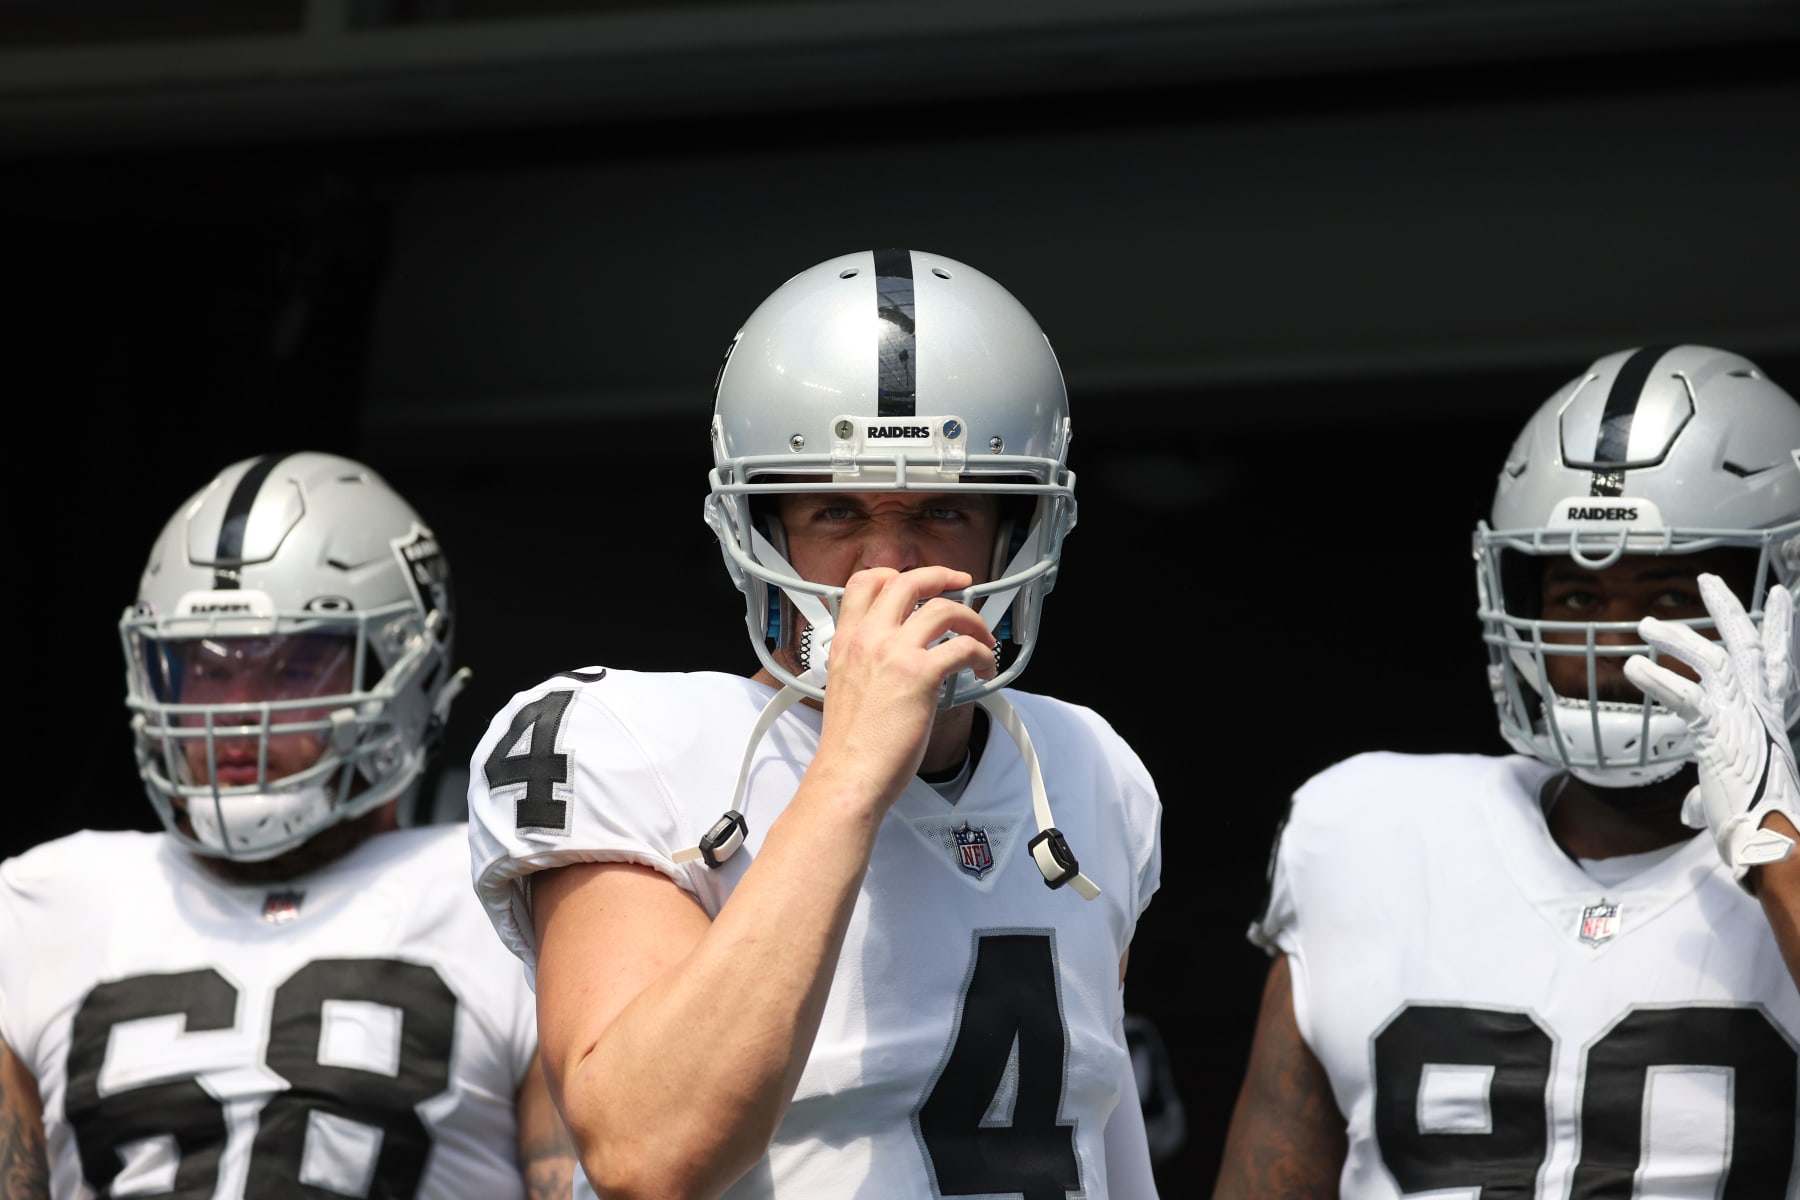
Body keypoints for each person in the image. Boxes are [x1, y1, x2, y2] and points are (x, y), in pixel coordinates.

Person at [467, 248, 1165, 1199]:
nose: (886, 565)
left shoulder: (1087, 765)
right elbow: (646, 1150)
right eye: (836, 510)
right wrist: (849, 774)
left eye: (944, 510)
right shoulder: (627, 739)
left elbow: (1098, 1127)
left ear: (1019, 535)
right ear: (758, 530)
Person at [1211, 344, 1800, 1199]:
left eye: (1675, 599)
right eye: (1578, 599)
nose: (1622, 649)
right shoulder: (1368, 827)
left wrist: (1775, 846)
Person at [0, 451, 576, 1200]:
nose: (236, 712)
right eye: (204, 668)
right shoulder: (41, 901)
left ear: (408, 672)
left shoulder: (507, 895)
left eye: (293, 667)